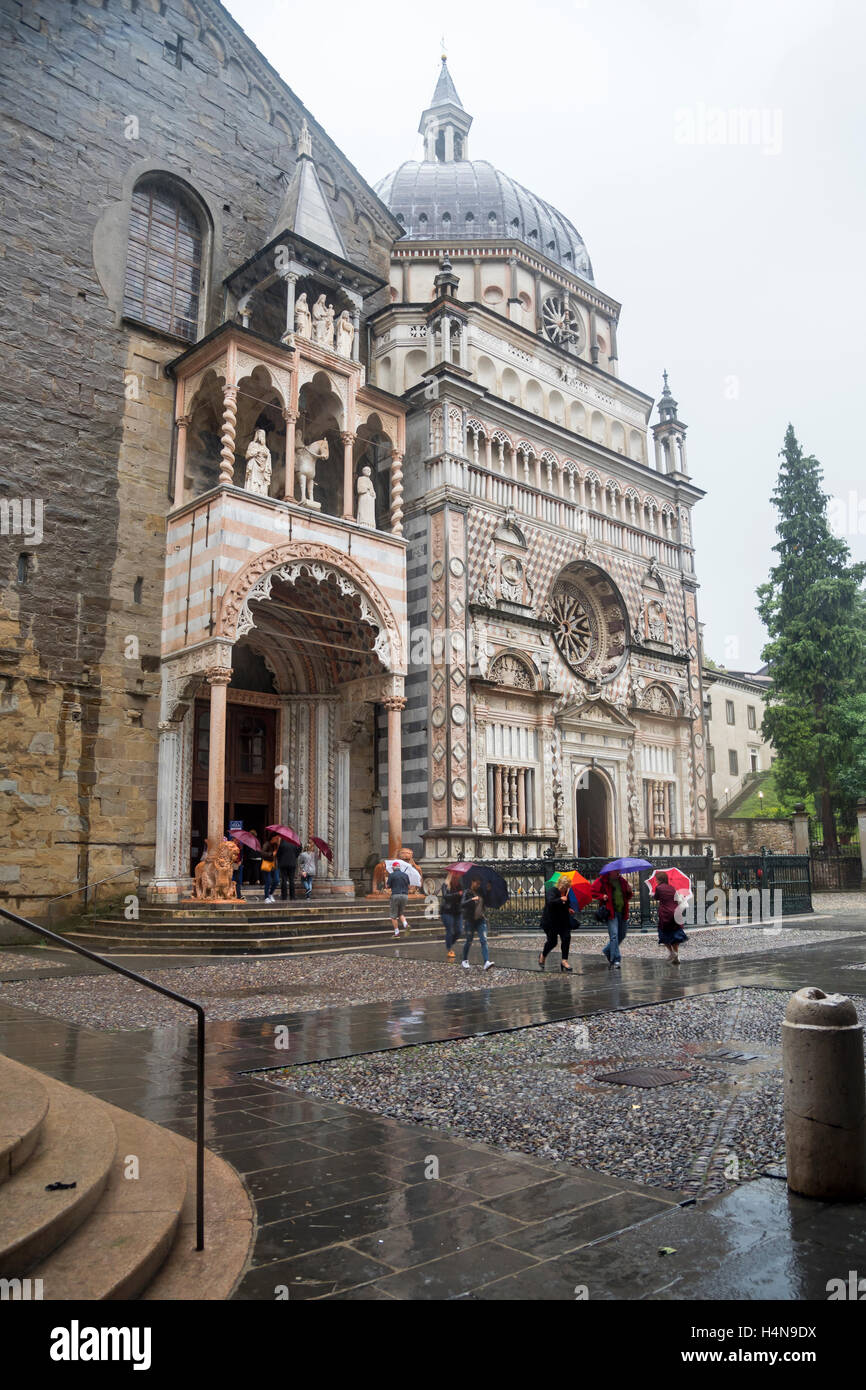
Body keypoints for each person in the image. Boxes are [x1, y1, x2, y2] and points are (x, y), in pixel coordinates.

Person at [591, 869, 633, 969]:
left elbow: (628, 896)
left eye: (618, 871)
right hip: (611, 912)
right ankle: (615, 960)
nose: (618, 873)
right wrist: (602, 896)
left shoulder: (622, 881)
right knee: (614, 935)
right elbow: (592, 891)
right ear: (610, 872)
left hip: (622, 911)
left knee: (622, 935)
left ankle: (607, 950)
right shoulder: (602, 880)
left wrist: (629, 891)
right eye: (616, 871)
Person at [539, 880, 575, 972]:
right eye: (564, 888)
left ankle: (564, 960)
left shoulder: (567, 893)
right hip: (551, 922)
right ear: (560, 886)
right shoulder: (552, 891)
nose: (565, 889)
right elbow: (550, 902)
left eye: (567, 888)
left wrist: (569, 909)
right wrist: (560, 899)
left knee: (566, 938)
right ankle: (543, 955)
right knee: (552, 942)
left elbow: (566, 905)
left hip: (563, 921)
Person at [654, 870, 689, 963]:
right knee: (675, 934)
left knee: (663, 933)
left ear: (659, 879)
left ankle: (671, 952)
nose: (655, 881)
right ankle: (676, 957)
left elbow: (656, 897)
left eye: (656, 879)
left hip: (665, 913)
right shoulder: (672, 888)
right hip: (675, 913)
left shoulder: (659, 888)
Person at [460, 876, 494, 972]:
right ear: (472, 881)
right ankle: (465, 960)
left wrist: (488, 890)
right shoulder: (467, 892)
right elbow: (462, 903)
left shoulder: (481, 892)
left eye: (479, 883)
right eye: (477, 883)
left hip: (481, 920)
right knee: (469, 941)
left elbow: (488, 901)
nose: (478, 885)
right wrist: (471, 900)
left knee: (484, 940)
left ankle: (486, 962)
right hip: (470, 921)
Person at [439, 872, 463, 960]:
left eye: (458, 875)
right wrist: (457, 894)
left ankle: (449, 943)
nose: (457, 876)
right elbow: (445, 896)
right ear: (451, 876)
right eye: (455, 875)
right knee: (450, 930)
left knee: (459, 931)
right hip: (447, 911)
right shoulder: (445, 885)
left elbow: (463, 897)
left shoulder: (461, 885)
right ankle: (449, 949)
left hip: (457, 911)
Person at [387, 861, 410, 936]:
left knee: (393, 916)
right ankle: (405, 924)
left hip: (395, 895)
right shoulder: (405, 875)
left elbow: (388, 886)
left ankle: (397, 932)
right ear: (399, 868)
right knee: (400, 913)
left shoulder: (391, 875)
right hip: (405, 896)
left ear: (393, 868)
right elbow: (409, 886)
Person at [277, 834, 299, 901]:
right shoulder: (294, 843)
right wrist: (294, 857)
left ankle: (284, 897)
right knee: (291, 880)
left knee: (284, 880)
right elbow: (298, 851)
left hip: (283, 864)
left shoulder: (282, 843)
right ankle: (292, 897)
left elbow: (278, 854)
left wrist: (280, 860)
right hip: (292, 863)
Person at [260, 834, 279, 903]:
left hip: (274, 865)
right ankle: (266, 897)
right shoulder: (266, 844)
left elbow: (277, 855)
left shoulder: (276, 845)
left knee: (276, 880)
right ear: (272, 837)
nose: (277, 839)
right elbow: (262, 853)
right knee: (268, 881)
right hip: (267, 865)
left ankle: (270, 894)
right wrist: (271, 854)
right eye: (276, 838)